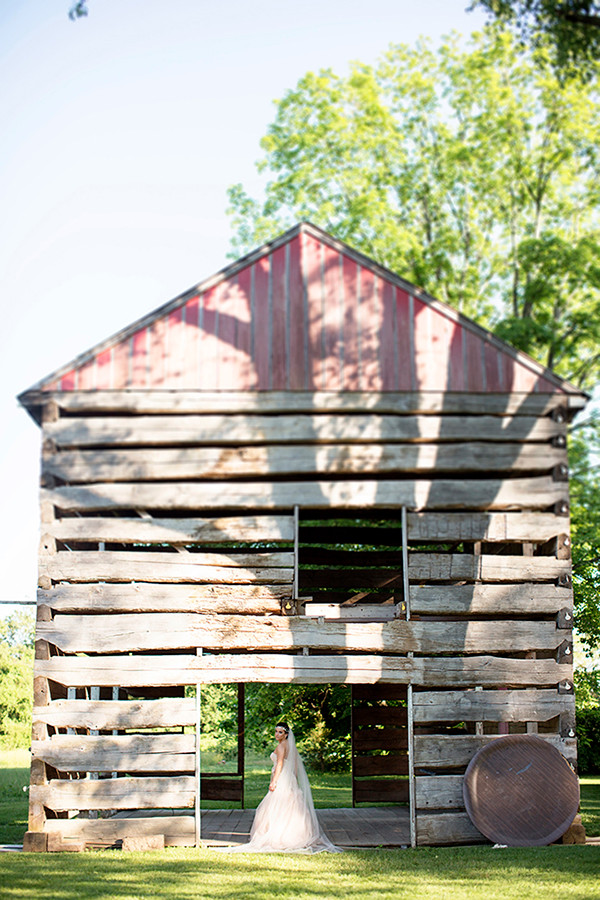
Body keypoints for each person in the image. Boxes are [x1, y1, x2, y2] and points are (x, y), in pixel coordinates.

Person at [222, 721, 339, 853]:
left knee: (275, 805)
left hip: (282, 778)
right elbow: (294, 765)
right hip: (289, 778)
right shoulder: (290, 746)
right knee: (292, 803)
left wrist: (274, 781)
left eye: (280, 732)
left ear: (286, 734)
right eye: (276, 731)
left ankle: (279, 836)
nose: (277, 734)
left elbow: (280, 764)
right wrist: (293, 778)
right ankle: (297, 835)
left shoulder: (281, 747)